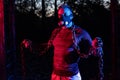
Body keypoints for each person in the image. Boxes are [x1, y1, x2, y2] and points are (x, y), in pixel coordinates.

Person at [20, 4, 104, 80]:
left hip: (71, 76)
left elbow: (91, 51)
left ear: (71, 16)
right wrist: (31, 45)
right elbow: (47, 46)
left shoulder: (81, 33)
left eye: (65, 14)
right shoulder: (56, 32)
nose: (61, 17)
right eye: (60, 15)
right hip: (56, 75)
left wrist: (96, 46)